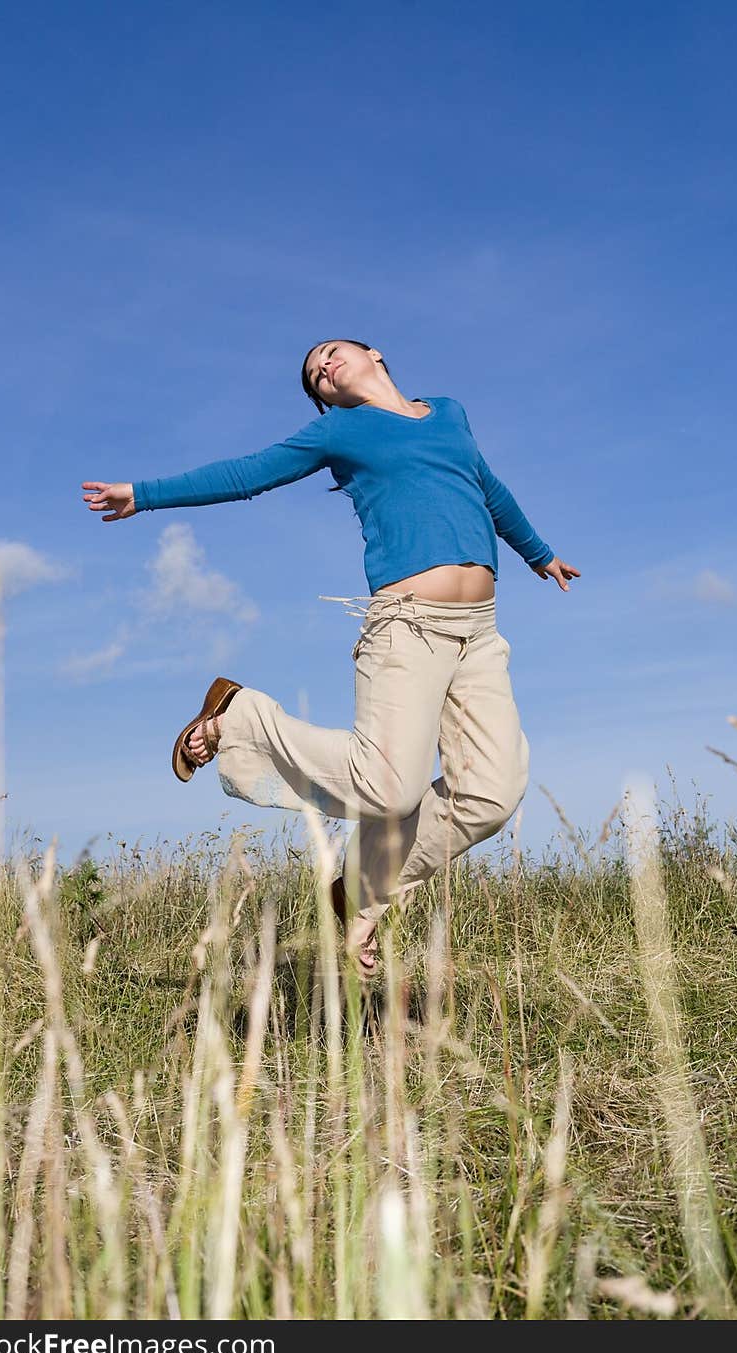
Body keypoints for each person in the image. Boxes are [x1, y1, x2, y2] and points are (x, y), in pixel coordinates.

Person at [82, 339, 579, 976]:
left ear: (374, 353)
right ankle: (240, 716)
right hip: (409, 627)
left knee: (492, 791)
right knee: (391, 788)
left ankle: (361, 889)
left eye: (331, 353)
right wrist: (143, 493)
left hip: (480, 633)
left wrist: (538, 554)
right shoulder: (341, 433)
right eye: (316, 374)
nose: (324, 367)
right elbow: (246, 474)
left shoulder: (449, 413)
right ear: (325, 399)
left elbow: (488, 487)